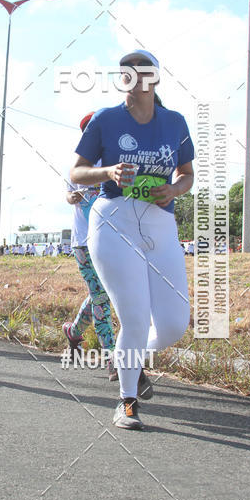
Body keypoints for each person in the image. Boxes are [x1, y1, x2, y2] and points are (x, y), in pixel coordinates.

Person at [71, 50, 194, 430]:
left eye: (146, 72)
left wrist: (174, 190)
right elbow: (76, 172)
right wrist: (108, 170)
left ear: (156, 78)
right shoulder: (106, 120)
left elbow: (187, 174)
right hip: (114, 222)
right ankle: (126, 402)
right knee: (135, 318)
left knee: (175, 324)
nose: (138, 77)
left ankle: (126, 357)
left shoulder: (175, 122)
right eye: (130, 72)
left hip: (160, 224)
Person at [63, 113, 117, 378]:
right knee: (100, 297)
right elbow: (68, 191)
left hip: (111, 241)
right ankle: (112, 357)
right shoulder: (79, 164)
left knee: (102, 295)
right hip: (84, 243)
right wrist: (71, 196)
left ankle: (73, 332)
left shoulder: (114, 163)